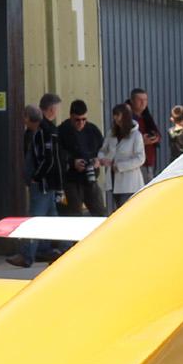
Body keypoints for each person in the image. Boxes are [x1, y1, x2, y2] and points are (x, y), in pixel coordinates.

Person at [18, 96, 62, 267]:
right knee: (51, 218)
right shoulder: (43, 132)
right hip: (48, 184)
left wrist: (36, 177)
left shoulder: (41, 134)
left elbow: (47, 159)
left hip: (42, 184)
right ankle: (49, 249)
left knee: (34, 220)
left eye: (24, 117)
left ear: (28, 118)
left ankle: (26, 255)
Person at [57, 99, 106, 216]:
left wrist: (98, 160)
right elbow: (57, 154)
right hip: (71, 180)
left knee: (100, 213)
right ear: (71, 117)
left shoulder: (92, 130)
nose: (81, 123)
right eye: (77, 120)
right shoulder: (62, 131)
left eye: (84, 119)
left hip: (91, 178)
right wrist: (72, 162)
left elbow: (104, 149)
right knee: (74, 214)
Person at [97, 103, 146, 209]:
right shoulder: (111, 133)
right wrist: (101, 159)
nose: (116, 120)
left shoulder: (136, 135)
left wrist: (119, 166)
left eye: (119, 117)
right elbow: (103, 150)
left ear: (126, 117)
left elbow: (140, 158)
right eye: (115, 117)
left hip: (130, 183)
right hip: (114, 181)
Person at [129, 87, 163, 182]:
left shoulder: (146, 117)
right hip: (135, 163)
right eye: (139, 100)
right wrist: (141, 141)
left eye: (145, 100)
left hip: (149, 161)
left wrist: (155, 138)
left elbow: (157, 133)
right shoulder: (127, 118)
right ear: (132, 101)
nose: (143, 103)